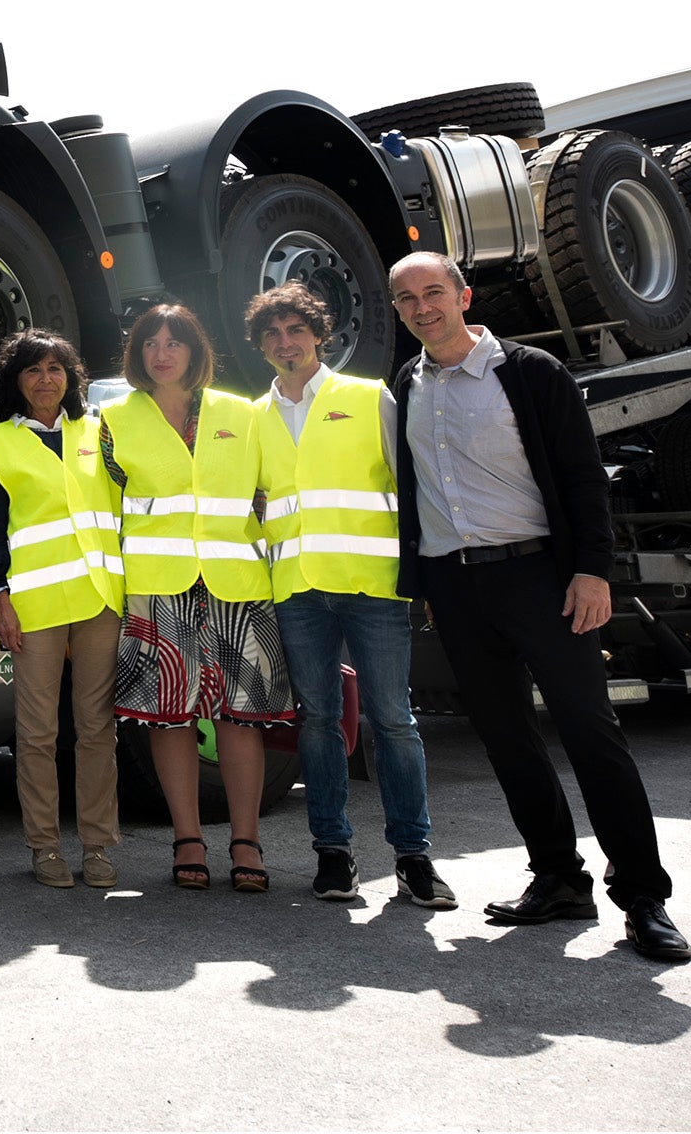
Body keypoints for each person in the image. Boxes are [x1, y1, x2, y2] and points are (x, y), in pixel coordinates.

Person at [386, 252, 691, 962]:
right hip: (456, 586)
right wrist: (428, 586)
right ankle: (556, 877)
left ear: (462, 295)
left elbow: (583, 479)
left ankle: (643, 897)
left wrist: (591, 571)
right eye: (406, 299)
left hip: (539, 577)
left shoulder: (527, 372)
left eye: (433, 292)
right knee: (504, 736)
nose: (421, 307)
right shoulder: (406, 384)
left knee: (590, 731)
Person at [245, 283, 454, 911]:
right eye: (273, 335)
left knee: (392, 720)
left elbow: (413, 489)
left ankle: (414, 858)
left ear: (318, 335)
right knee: (317, 722)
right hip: (297, 589)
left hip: (373, 586)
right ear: (261, 347)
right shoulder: (252, 418)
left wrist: (425, 578)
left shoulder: (367, 398)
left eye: (295, 331)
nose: (286, 343)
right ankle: (333, 855)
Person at [99, 302, 296, 893]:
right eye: (151, 343)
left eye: (174, 342)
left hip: (238, 587)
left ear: (194, 350)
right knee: (169, 719)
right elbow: (106, 516)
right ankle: (187, 839)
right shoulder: (113, 420)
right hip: (159, 590)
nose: (162, 353)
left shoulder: (244, 413)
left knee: (241, 719)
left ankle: (245, 841)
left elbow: (277, 493)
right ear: (138, 355)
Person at [0, 329, 124, 890]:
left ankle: (98, 845)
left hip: (99, 598)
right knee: (37, 731)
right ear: (16, 382)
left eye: (56, 368)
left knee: (97, 729)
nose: (46, 379)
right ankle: (44, 846)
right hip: (34, 604)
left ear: (71, 377)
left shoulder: (98, 432)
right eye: (34, 370)